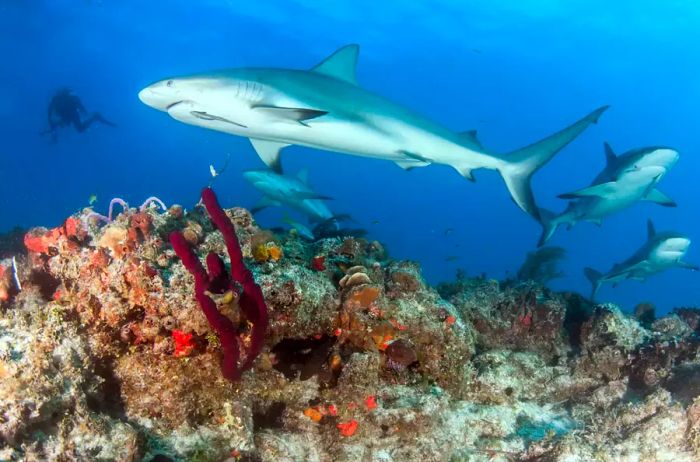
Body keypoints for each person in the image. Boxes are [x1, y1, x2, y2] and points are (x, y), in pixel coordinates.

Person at [42, 88, 115, 140]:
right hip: (71, 114)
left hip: (70, 114)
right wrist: (84, 112)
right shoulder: (57, 101)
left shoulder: (54, 101)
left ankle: (95, 116)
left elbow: (50, 116)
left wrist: (52, 129)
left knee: (79, 129)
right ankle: (95, 117)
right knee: (79, 128)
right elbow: (79, 106)